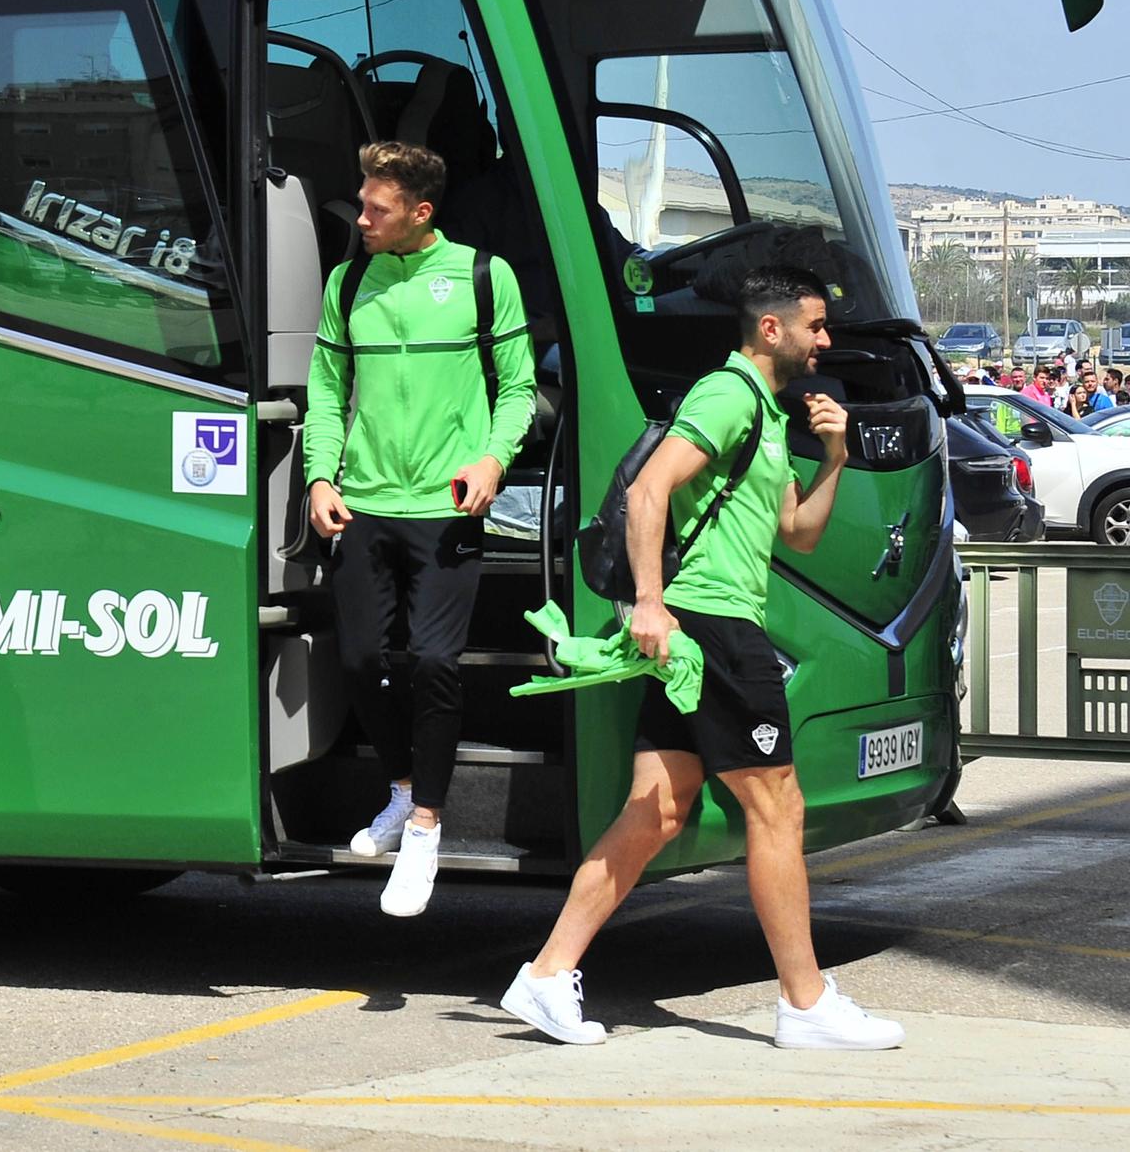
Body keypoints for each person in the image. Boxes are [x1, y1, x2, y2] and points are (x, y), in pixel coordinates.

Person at [499, 256, 905, 1050]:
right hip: (713, 628)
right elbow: (651, 489)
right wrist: (650, 601)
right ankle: (805, 1000)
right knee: (777, 807)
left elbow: (799, 531)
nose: (824, 340)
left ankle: (546, 975)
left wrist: (836, 457)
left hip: (704, 630)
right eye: (815, 325)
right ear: (771, 327)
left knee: (658, 810)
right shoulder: (726, 395)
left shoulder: (765, 411)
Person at [306, 140, 536, 917]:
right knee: (363, 657)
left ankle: (428, 828)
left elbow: (519, 387)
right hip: (366, 503)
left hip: (445, 507)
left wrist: (494, 459)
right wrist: (320, 475)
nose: (362, 217)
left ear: (421, 212)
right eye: (363, 202)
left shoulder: (482, 276)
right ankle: (402, 792)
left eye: (377, 208)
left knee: (435, 662)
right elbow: (328, 389)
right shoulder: (349, 282)